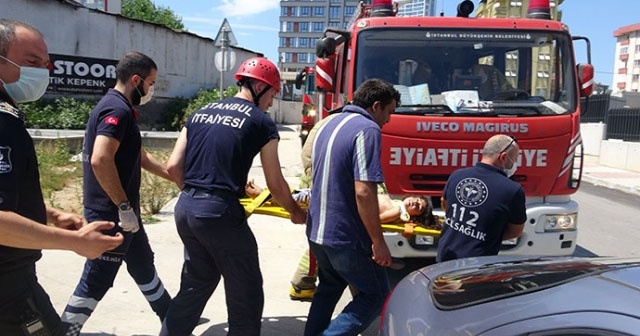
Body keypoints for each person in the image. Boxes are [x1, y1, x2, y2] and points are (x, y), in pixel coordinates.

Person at [160, 56, 307, 336]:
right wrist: (294, 210)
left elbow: (172, 166)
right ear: (259, 87)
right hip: (220, 214)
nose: (272, 103)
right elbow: (275, 182)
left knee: (196, 283)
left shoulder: (201, 112)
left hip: (186, 208)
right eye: (273, 94)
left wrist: (196, 197)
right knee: (246, 293)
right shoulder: (261, 122)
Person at [0, 19, 124, 335]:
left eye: (45, 64)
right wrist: (74, 242)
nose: (43, 71)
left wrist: (51, 215)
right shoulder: (3, 123)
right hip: (9, 289)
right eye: (31, 62)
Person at [61, 52, 174, 334]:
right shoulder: (117, 110)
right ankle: (65, 329)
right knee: (97, 277)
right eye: (151, 82)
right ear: (136, 80)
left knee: (142, 264)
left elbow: (140, 155)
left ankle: (172, 318)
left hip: (125, 214)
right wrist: (123, 206)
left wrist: (175, 178)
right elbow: (101, 158)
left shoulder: (117, 106)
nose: (151, 89)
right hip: (112, 214)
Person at [304, 78, 400, 336]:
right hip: (345, 237)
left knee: (328, 290)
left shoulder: (328, 123)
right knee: (377, 295)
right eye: (389, 112)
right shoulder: (367, 129)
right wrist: (378, 241)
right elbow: (363, 190)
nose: (388, 120)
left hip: (317, 233)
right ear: (376, 106)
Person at [436, 134, 526, 263]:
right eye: (515, 158)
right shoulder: (513, 190)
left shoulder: (457, 175)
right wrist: (487, 232)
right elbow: (515, 231)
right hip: (476, 267)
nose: (515, 164)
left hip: (444, 258)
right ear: (504, 157)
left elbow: (445, 205)